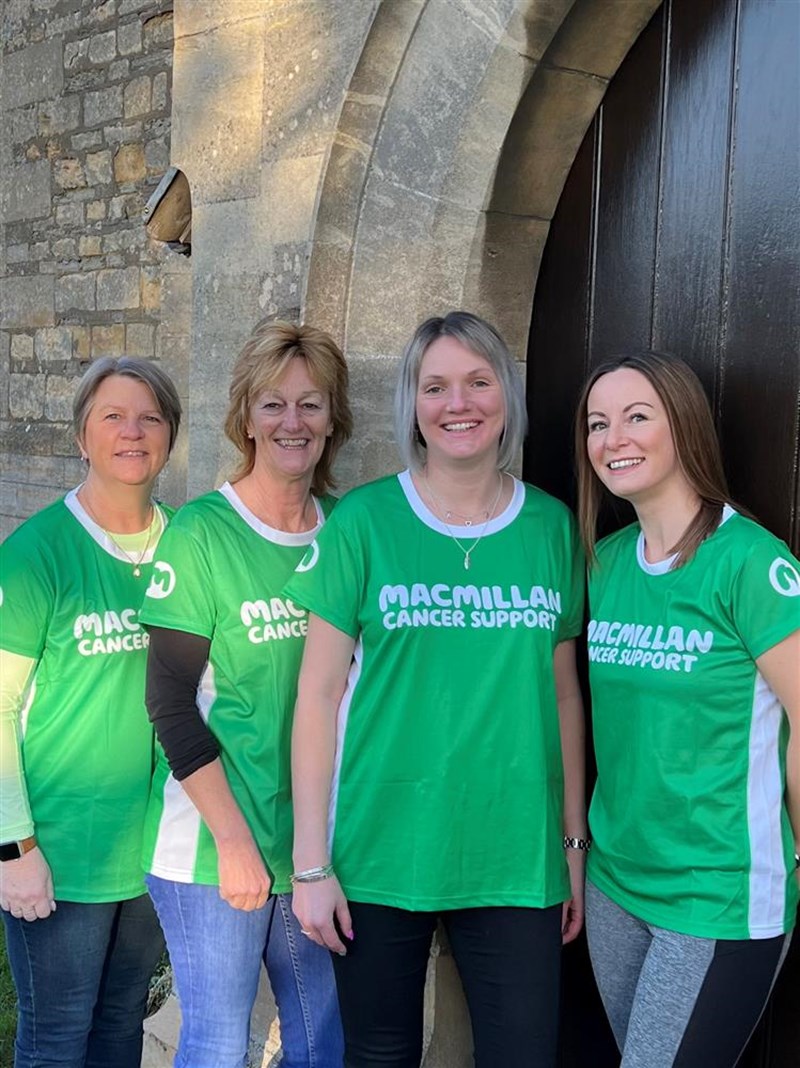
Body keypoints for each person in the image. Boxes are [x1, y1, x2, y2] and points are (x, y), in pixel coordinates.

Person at [286, 310, 587, 1068]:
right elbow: (317, 698)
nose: (460, 403)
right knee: (379, 1055)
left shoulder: (550, 527)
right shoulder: (364, 522)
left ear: (506, 396)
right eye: (436, 387)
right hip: (380, 850)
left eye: (479, 382)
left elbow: (563, 698)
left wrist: (573, 844)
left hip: (516, 854)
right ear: (413, 405)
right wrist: (311, 864)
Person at [575, 351, 799, 1067]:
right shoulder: (607, 563)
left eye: (637, 417)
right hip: (616, 886)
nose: (614, 439)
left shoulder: (749, 563)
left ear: (685, 426)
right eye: (597, 423)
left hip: (718, 895)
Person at [140, 320, 351, 1068]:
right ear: (246, 418)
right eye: (273, 404)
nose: (293, 422)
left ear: (333, 420)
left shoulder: (346, 531)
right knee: (218, 1045)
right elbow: (169, 703)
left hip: (312, 848)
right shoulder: (202, 532)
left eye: (311, 404)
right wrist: (233, 844)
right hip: (212, 843)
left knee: (323, 1044)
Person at [0, 357, 182, 1068]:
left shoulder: (190, 544)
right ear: (82, 437)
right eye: (113, 416)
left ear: (169, 435)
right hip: (60, 850)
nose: (132, 432)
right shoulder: (37, 553)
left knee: (120, 1028)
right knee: (57, 1038)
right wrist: (13, 848)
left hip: (157, 846)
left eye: (149, 417)